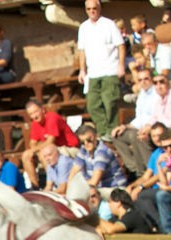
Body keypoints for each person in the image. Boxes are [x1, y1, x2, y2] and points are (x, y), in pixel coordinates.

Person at [77, 0, 125, 139]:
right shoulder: (84, 27)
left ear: (99, 8)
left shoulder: (109, 24)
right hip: (93, 73)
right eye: (89, 9)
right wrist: (82, 70)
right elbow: (82, 50)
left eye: (94, 8)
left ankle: (113, 131)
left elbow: (120, 45)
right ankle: (103, 131)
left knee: (110, 102)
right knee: (92, 104)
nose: (92, 11)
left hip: (110, 69)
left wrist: (121, 65)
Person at [21, 99, 79, 189]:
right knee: (26, 155)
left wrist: (36, 148)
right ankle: (34, 186)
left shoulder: (52, 118)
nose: (34, 116)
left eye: (36, 112)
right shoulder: (35, 123)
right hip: (54, 149)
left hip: (70, 148)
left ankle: (52, 185)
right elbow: (32, 143)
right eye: (31, 114)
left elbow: (50, 141)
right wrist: (33, 149)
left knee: (43, 153)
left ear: (43, 110)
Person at [108, 68, 155, 176]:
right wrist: (125, 126)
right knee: (116, 135)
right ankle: (134, 167)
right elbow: (139, 117)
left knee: (135, 136)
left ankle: (144, 171)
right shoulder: (142, 95)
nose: (143, 82)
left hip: (151, 127)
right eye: (140, 80)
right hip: (140, 126)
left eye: (146, 79)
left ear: (151, 79)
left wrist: (145, 127)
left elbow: (155, 116)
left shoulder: (155, 93)